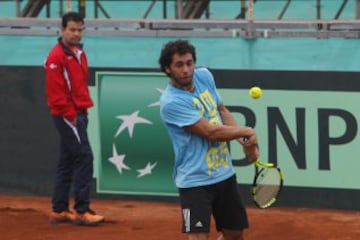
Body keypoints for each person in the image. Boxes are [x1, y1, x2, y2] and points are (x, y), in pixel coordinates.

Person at [159, 39, 259, 240]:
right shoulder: (171, 102)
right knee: (197, 236)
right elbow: (210, 132)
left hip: (224, 174)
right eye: (179, 65)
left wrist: (245, 142)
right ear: (167, 69)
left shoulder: (204, 76)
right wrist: (246, 132)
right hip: (193, 182)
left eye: (189, 63)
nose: (186, 70)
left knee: (235, 234)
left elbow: (221, 110)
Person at [44, 12, 104, 226]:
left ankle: (59, 210)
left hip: (78, 114)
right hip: (68, 116)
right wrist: (71, 116)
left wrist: (81, 113)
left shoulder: (79, 53)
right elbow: (56, 94)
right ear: (62, 30)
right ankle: (82, 210)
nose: (77, 33)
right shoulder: (55, 57)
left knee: (67, 160)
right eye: (72, 29)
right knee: (84, 157)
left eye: (80, 29)